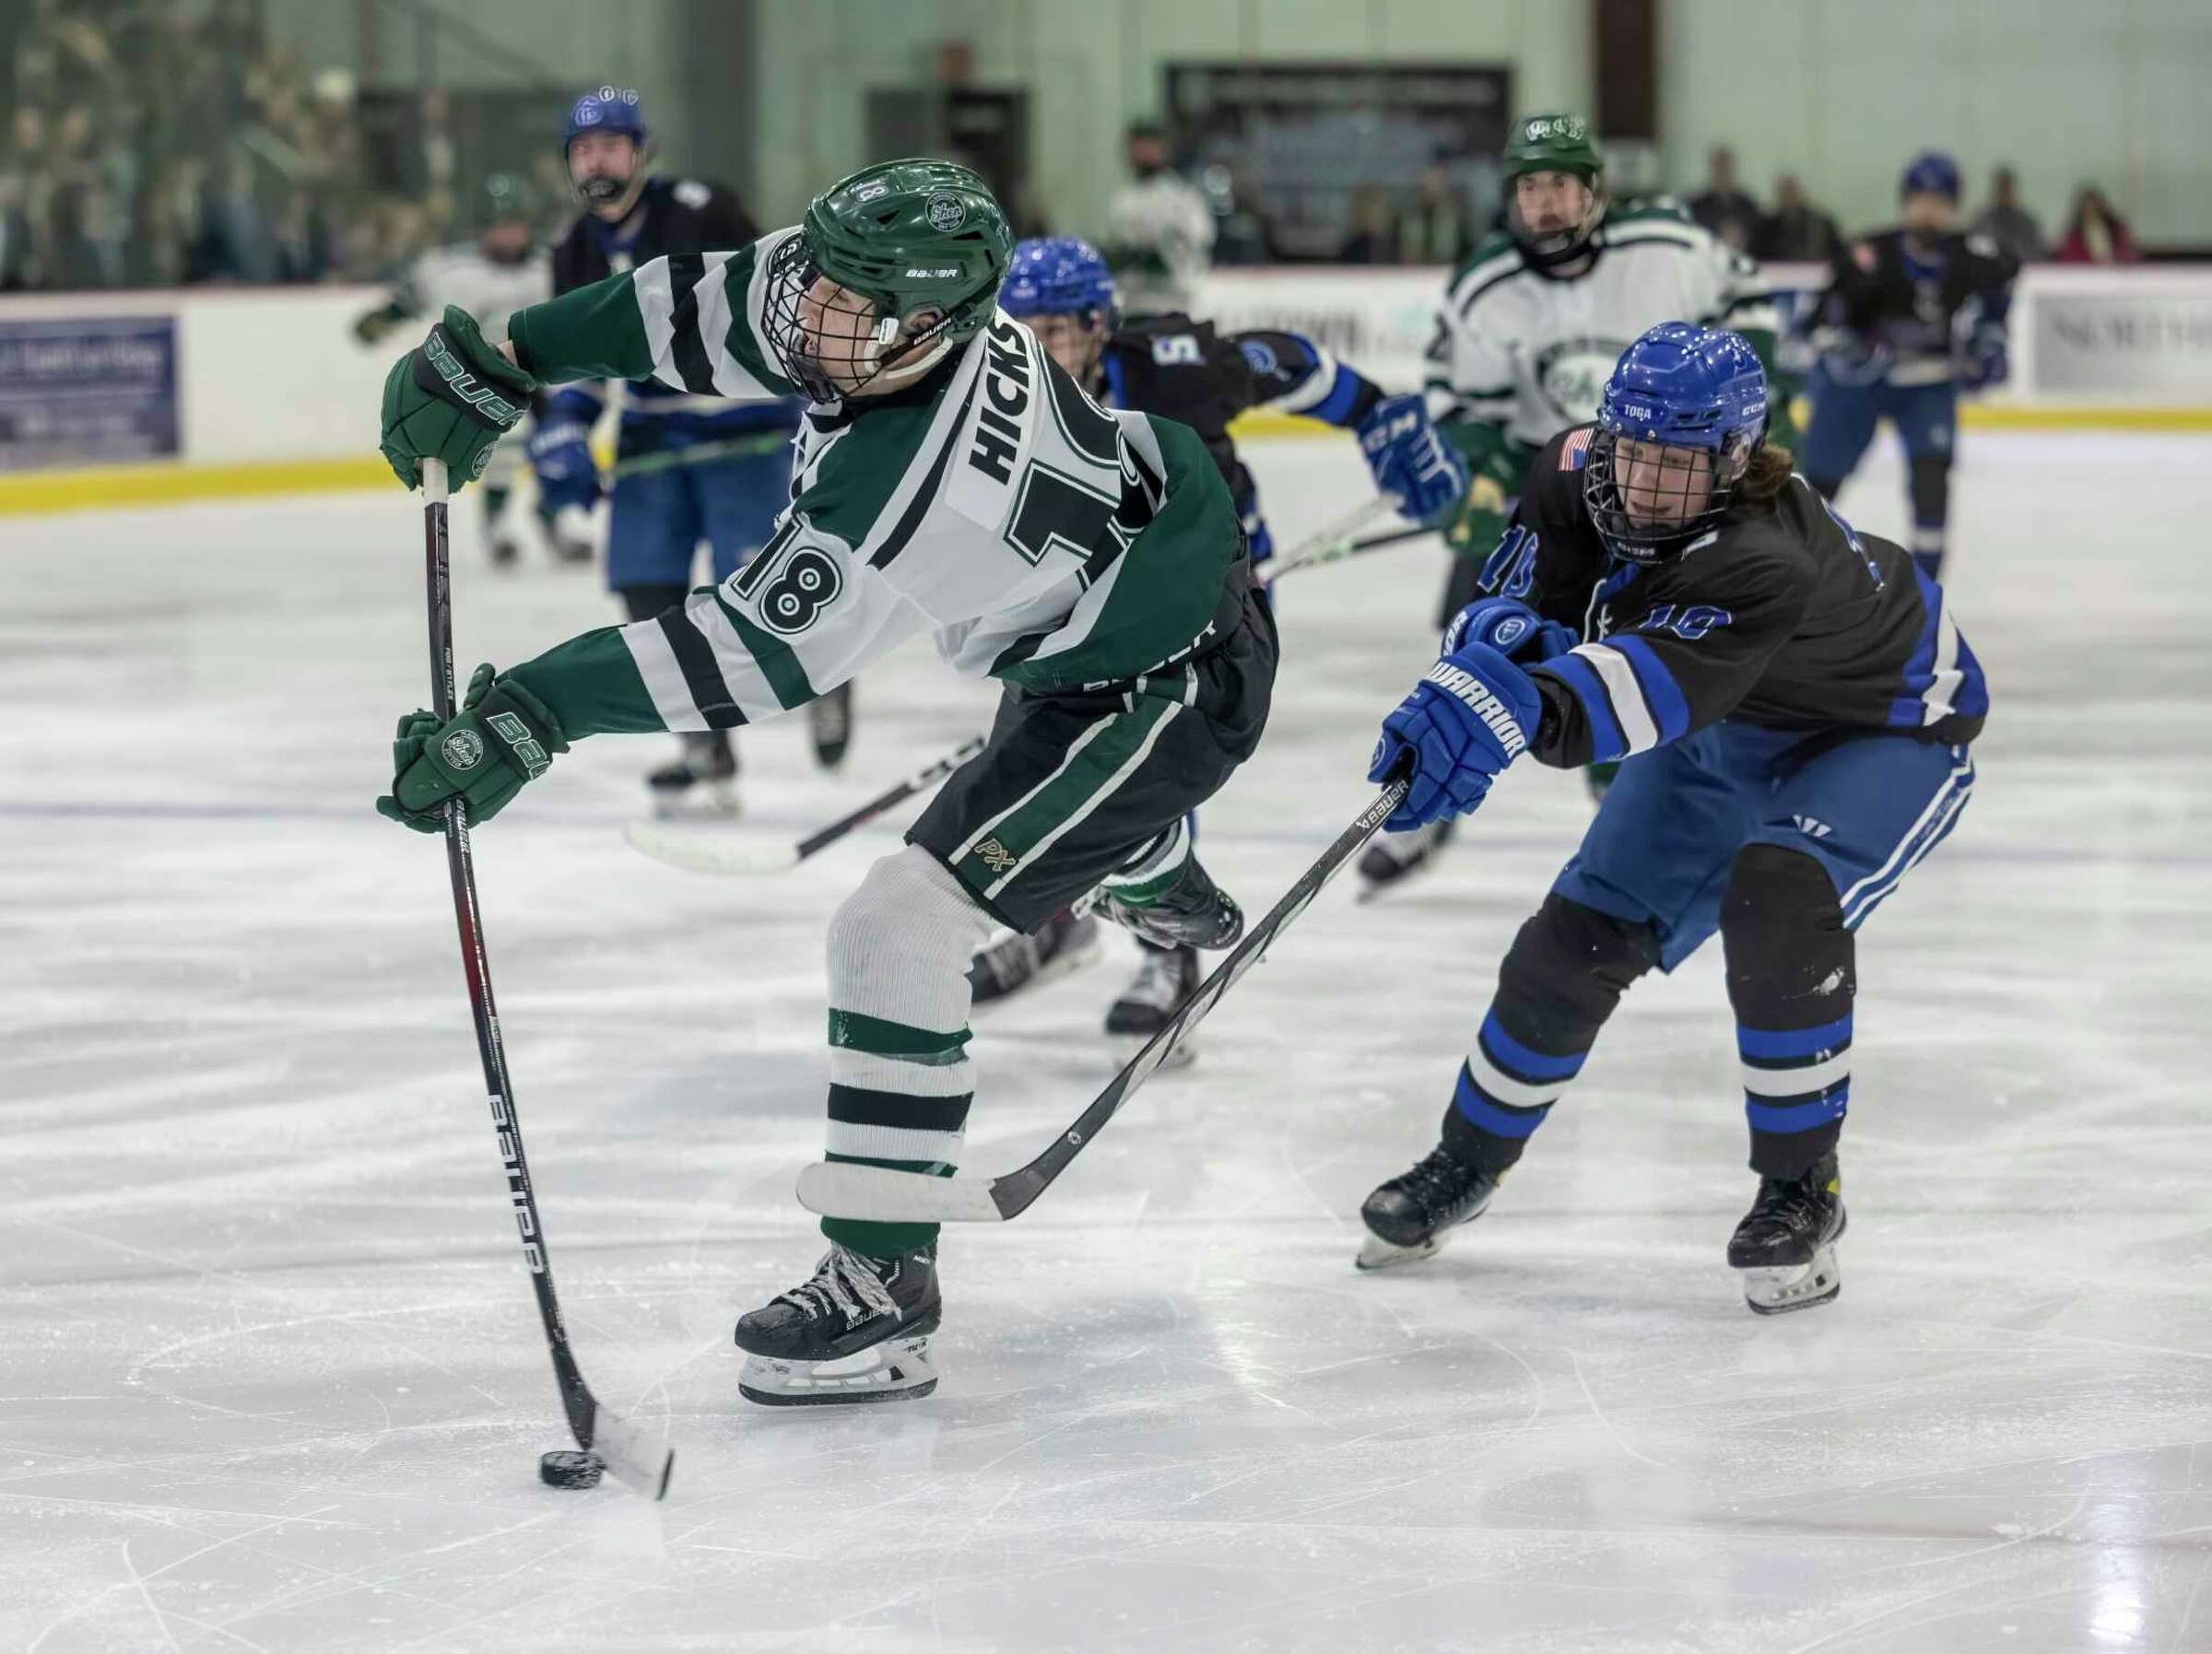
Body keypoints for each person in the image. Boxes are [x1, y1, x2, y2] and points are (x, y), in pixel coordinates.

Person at [372, 158, 1277, 1404]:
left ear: (931, 326)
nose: (808, 320)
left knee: (895, 929)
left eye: (845, 311)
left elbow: (744, 654)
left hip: (1161, 676)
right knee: (1054, 830)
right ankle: (1161, 873)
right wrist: (509, 357)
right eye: (820, 285)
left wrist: (536, 708)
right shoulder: (856, 289)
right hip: (1098, 608)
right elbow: (697, 304)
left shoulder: (911, 489)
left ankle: (882, 1280)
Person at [1356, 322, 1986, 1316]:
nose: (1645, 484)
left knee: (1777, 896)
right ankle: (1464, 1161)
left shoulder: (1764, 555)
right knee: (1574, 937)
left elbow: (1625, 699)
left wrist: (1514, 707)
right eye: (1633, 451)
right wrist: (1478, 663)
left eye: (1678, 464)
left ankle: (1799, 1189)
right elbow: (1524, 604)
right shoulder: (1573, 467)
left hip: (1884, 728)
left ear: (1735, 459)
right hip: (1731, 715)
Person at [962, 236, 1465, 1035]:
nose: (1043, 353)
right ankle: (1060, 916)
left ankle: (1167, 951)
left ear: (1100, 327)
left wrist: (1380, 420)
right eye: (1025, 332)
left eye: (1060, 330)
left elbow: (1292, 362)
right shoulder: (1000, 405)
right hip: (1088, 597)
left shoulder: (1175, 365)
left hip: (1214, 595)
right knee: (1040, 760)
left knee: (1148, 750)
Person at [1372, 111, 1788, 891]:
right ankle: (1431, 802)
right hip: (1556, 491)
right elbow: (1456, 401)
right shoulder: (1486, 286)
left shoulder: (1667, 246)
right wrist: (1484, 469)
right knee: (1476, 634)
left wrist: (1766, 399)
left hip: (1668, 494)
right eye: (1530, 187)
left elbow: (1749, 298)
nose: (1546, 202)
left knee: (1636, 658)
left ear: (1594, 191)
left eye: (1560, 183)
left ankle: (1629, 819)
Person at [534, 87, 829, 816]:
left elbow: (778, 298)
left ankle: (831, 677)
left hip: (744, 428)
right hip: (655, 430)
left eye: (609, 145)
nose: (595, 160)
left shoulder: (702, 210)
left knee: (763, 588)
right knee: (645, 584)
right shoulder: (573, 248)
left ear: (641, 150)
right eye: (582, 149)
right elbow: (576, 359)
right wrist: (563, 426)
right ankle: (705, 740)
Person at [1799, 152, 2018, 582]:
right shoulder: (1868, 254)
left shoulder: (1972, 257)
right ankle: (1793, 565)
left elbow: (2001, 289)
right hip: (1859, 387)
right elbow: (1820, 317)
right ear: (1905, 201)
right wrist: (1841, 344)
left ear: (1954, 206)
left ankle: (1923, 587)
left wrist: (1991, 340)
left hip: (1927, 386)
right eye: (1921, 198)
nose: (1930, 209)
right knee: (1819, 481)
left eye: (1940, 200)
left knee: (1932, 475)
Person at [353, 174, 554, 566]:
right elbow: (413, 294)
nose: (507, 234)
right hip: (482, 381)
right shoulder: (451, 269)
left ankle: (555, 521)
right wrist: (386, 316)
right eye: (498, 225)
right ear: (480, 228)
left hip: (545, 378)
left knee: (556, 449)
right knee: (500, 458)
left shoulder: (548, 267)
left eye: (514, 224)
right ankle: (496, 527)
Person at [1101, 121, 1215, 313]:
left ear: (1164, 150)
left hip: (1174, 303)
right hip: (1134, 304)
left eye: (1149, 147)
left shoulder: (1182, 196)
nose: (1143, 154)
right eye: (1138, 148)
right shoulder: (1123, 199)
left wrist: (1160, 250)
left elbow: (1202, 239)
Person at [1688, 146, 1761, 252]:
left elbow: (1758, 239)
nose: (1722, 170)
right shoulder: (1697, 205)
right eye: (1718, 166)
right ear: (1712, 167)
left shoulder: (1747, 205)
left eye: (1726, 166)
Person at [1753, 175, 1841, 264]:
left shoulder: (1822, 225)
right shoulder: (1767, 228)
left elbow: (1836, 253)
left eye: (1792, 191)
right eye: (1785, 193)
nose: (1789, 197)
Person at [1970, 166, 2046, 265]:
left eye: (2007, 188)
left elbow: (2037, 255)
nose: (2005, 193)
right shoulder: (1983, 222)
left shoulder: (2027, 223)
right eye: (2002, 188)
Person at [2054, 184, 2137, 264]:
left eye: (2095, 208)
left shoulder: (2117, 230)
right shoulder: (2074, 237)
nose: (2092, 212)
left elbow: (2130, 254)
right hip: (2088, 276)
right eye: (2088, 209)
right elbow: (2068, 263)